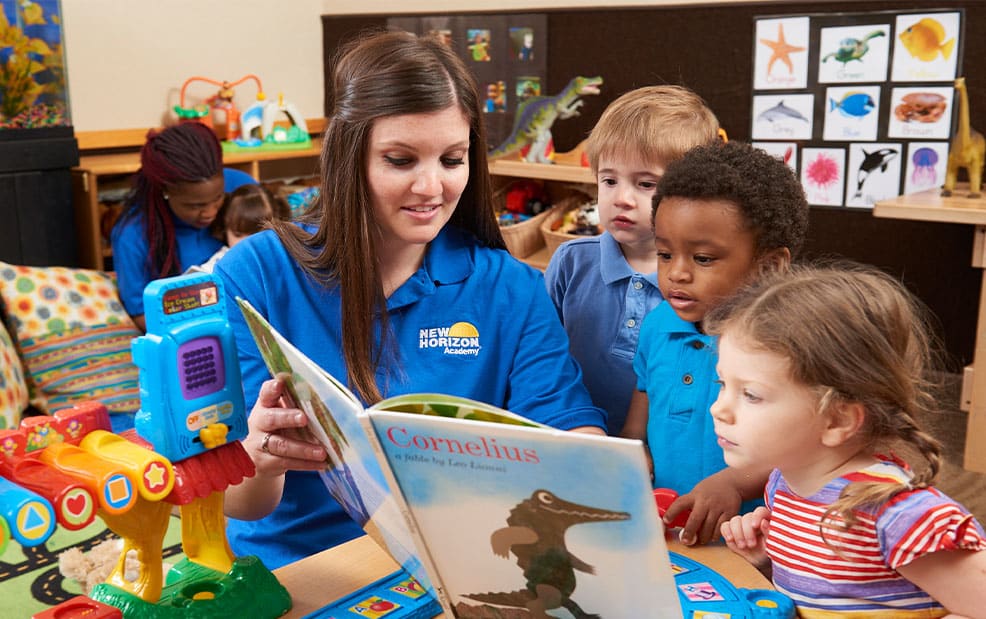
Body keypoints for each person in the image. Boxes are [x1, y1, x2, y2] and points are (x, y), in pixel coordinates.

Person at [212, 29, 606, 571]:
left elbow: (568, 432)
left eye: (452, 159)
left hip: (456, 566)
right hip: (302, 571)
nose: (431, 187)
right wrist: (261, 457)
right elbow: (239, 503)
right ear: (349, 157)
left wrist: (600, 478)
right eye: (400, 160)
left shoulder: (512, 288)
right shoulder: (255, 274)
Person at [713, 264, 986, 618]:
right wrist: (768, 563)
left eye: (750, 394)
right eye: (722, 384)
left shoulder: (897, 515)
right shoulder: (785, 484)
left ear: (838, 419)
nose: (719, 409)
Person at [620, 140, 809, 546]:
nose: (677, 274)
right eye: (665, 254)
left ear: (770, 266)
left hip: (755, 543)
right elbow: (640, 414)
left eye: (703, 259)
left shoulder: (784, 347)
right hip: (670, 533)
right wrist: (633, 454)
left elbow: (808, 446)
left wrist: (735, 483)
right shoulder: (656, 325)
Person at [544, 85, 720, 435]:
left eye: (646, 184)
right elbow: (540, 350)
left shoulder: (700, 280)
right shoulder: (570, 261)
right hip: (571, 435)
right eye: (609, 180)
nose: (621, 198)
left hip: (662, 449)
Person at [111, 122, 256, 331]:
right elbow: (142, 315)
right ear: (165, 192)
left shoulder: (242, 191)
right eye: (194, 206)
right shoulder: (132, 235)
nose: (210, 212)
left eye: (218, 198)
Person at [186, 184, 291, 273]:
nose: (245, 243)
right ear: (226, 228)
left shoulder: (281, 257)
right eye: (238, 234)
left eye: (255, 235)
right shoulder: (222, 260)